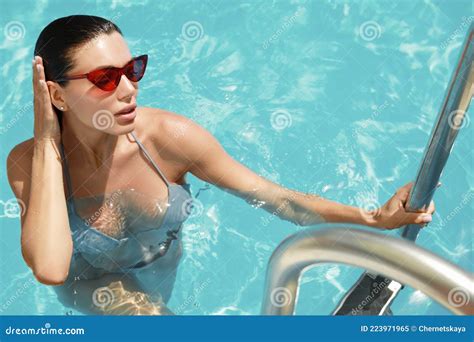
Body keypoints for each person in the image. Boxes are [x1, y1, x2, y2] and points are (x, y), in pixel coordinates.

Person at [6, 15, 435, 315]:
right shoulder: (29, 162)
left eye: (133, 69)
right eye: (104, 79)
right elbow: (50, 268)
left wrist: (374, 218)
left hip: (162, 266)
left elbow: (276, 199)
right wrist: (47, 139)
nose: (128, 89)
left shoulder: (170, 139)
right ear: (57, 96)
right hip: (92, 286)